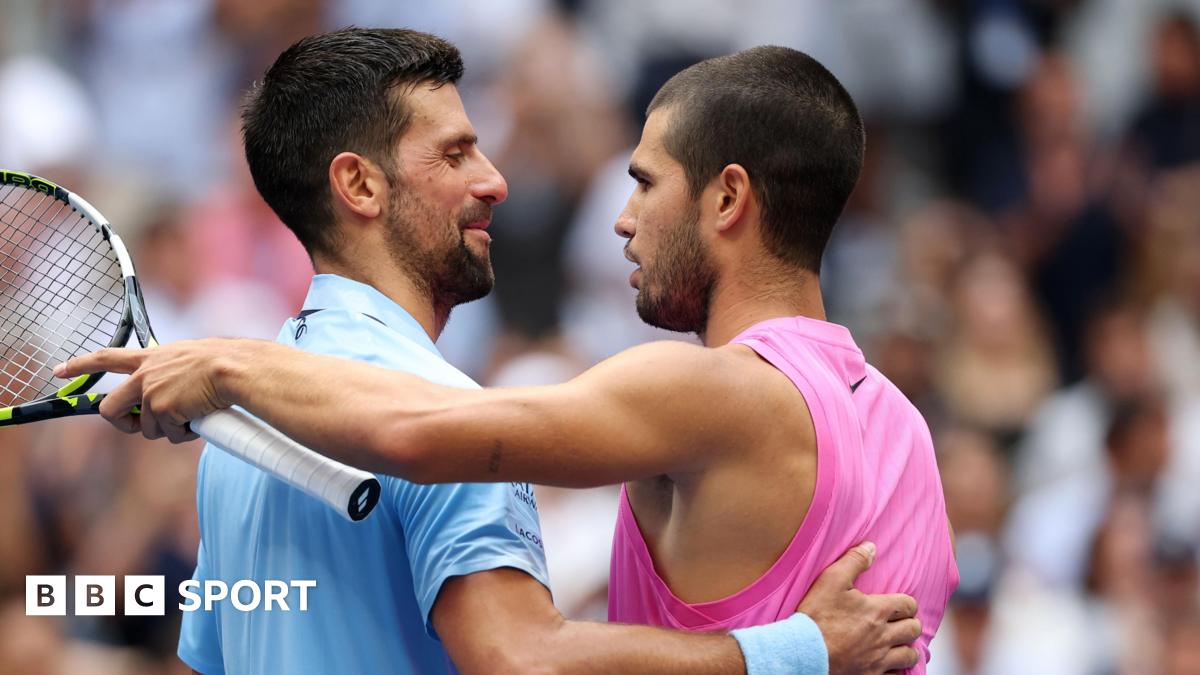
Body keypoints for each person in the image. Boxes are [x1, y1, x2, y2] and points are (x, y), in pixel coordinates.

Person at [61, 34, 929, 674]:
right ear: (359, 184)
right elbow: (520, 658)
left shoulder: (245, 429)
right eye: (456, 152)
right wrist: (797, 650)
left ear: (732, 197)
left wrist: (228, 364)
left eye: (643, 182)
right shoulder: (902, 428)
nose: (497, 179)